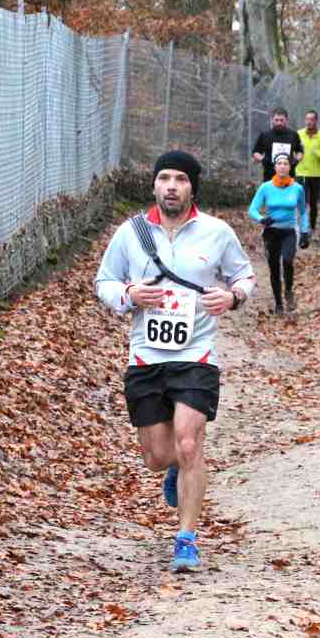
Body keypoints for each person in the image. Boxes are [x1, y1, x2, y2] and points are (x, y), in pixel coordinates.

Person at [95, 152, 255, 572]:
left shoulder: (216, 232)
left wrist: (232, 297)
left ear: (192, 187)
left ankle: (186, 539)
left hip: (195, 355)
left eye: (180, 179)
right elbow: (104, 281)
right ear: (153, 185)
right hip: (146, 356)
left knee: (188, 443)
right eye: (164, 178)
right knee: (157, 456)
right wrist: (128, 295)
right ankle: (175, 470)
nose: (171, 185)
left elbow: (244, 276)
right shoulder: (130, 233)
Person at [248, 152, 308, 312]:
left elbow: (303, 211)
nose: (282, 166)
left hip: (289, 230)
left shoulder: (297, 188)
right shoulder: (265, 187)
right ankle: (279, 304)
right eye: (279, 163)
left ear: (290, 167)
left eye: (285, 163)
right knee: (274, 267)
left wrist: (305, 231)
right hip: (271, 232)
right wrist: (262, 219)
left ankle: (288, 291)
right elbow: (252, 209)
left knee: (287, 261)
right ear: (275, 167)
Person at [294, 110, 320, 237]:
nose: (309, 122)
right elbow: (293, 150)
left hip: (316, 174)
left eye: (311, 119)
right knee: (303, 202)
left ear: (316, 121)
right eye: (307, 119)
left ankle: (313, 227)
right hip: (301, 173)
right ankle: (303, 229)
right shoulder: (298, 134)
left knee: (313, 203)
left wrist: (317, 153)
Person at [251, 107, 303, 183]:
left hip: (289, 176)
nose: (279, 123)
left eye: (282, 120)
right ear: (272, 120)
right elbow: (256, 152)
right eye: (276, 120)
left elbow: (299, 151)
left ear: (287, 120)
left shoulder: (294, 135)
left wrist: (297, 160)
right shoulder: (265, 135)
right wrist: (263, 159)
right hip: (269, 176)